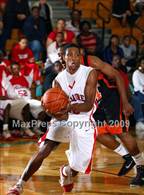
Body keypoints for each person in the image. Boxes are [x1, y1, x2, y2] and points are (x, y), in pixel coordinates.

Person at [7, 44, 134, 195]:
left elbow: (87, 105)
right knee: (45, 149)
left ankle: (66, 171)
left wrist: (67, 107)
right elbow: (55, 112)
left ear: (80, 57)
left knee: (80, 163)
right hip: (64, 118)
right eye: (69, 55)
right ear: (64, 58)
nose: (73, 58)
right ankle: (19, 185)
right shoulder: (58, 81)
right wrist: (50, 109)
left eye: (76, 55)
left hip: (84, 119)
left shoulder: (90, 73)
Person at [132, 57, 144, 137]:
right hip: (139, 93)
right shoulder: (136, 73)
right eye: (143, 63)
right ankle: (141, 122)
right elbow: (138, 86)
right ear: (140, 64)